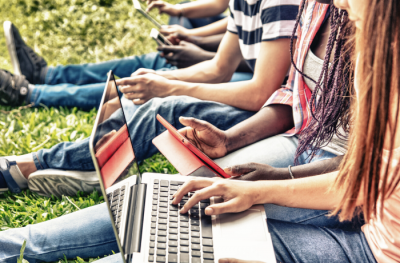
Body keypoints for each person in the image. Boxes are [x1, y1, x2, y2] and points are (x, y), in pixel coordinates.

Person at [0, 0, 363, 262]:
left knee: (192, 211)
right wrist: (232, 140)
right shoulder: (317, 7)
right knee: (172, 196)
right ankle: (11, 243)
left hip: (339, 171)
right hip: (301, 140)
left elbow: (374, 166)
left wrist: (278, 179)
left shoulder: (376, 33)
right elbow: (294, 98)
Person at [171, 0, 400, 262]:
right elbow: (367, 172)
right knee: (202, 199)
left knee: (215, 233)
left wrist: (275, 182)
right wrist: (243, 156)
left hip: (362, 225)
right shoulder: (362, 43)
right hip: (317, 155)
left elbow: (361, 175)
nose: (340, 3)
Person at [0, 0, 301, 197]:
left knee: (164, 107)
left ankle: (28, 166)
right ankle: (86, 161)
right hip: (264, 102)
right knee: (157, 78)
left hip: (274, 116)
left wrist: (168, 87)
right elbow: (219, 69)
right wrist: (159, 80)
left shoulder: (279, 3)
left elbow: (262, 93)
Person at [0, 19, 252, 110]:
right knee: (151, 64)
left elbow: (262, 85)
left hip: (261, 86)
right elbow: (237, 32)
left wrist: (169, 84)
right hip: (237, 66)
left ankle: (31, 93)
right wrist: (193, 42)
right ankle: (46, 75)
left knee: (161, 78)